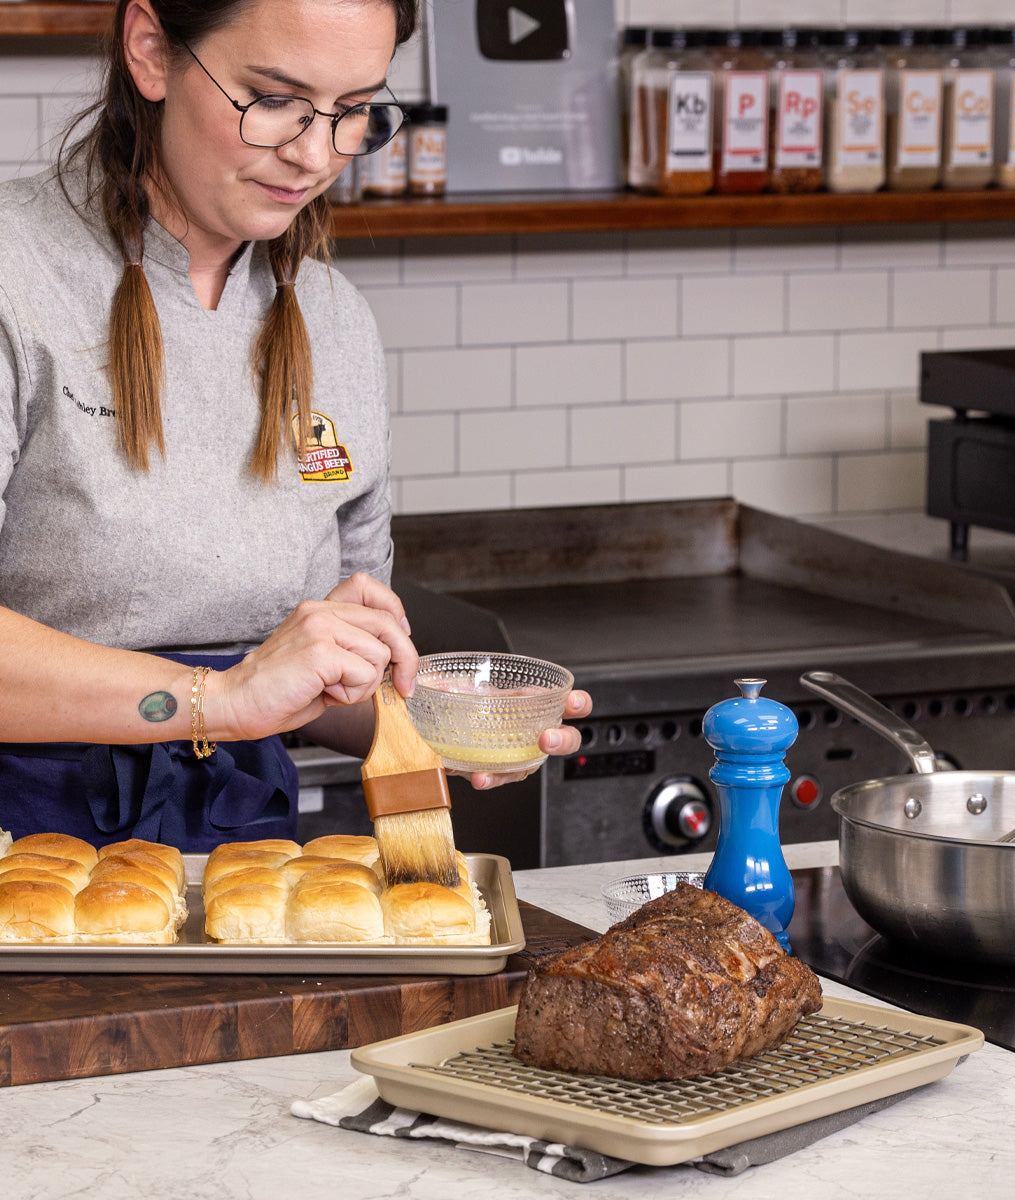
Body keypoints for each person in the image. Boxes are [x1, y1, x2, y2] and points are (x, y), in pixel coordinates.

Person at [0, 0, 591, 851]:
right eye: (273, 99)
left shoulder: (333, 323)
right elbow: (243, 694)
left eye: (353, 112)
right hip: (23, 861)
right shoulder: (18, 278)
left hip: (244, 867)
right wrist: (217, 700)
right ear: (151, 51)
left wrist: (434, 725)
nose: (316, 156)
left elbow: (329, 687)